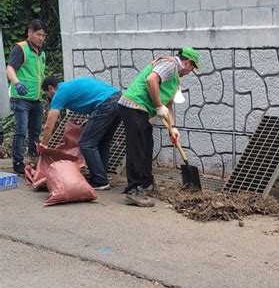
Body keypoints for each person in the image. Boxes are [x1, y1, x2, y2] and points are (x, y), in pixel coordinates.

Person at [118, 46, 201, 207]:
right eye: (193, 67)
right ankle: (133, 190)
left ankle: (146, 182)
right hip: (133, 105)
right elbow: (151, 80)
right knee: (137, 147)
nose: (191, 71)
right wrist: (158, 106)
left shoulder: (176, 78)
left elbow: (168, 105)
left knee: (147, 145)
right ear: (188, 63)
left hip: (142, 110)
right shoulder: (170, 64)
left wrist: (173, 127)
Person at [39, 76, 122, 190]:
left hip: (106, 104)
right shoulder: (71, 86)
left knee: (86, 143)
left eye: (47, 94)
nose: (48, 97)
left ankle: (100, 180)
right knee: (102, 141)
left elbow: (49, 123)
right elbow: (92, 98)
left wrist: (44, 144)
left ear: (51, 88)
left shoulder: (60, 92)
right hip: (119, 99)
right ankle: (101, 176)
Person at [6, 19, 47, 174]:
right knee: (21, 130)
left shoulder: (41, 52)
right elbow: (10, 68)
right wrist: (17, 83)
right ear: (29, 32)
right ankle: (18, 162)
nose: (41, 38)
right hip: (21, 98)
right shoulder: (21, 48)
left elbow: (40, 75)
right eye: (38, 35)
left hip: (36, 99)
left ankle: (33, 158)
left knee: (35, 131)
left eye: (43, 35)